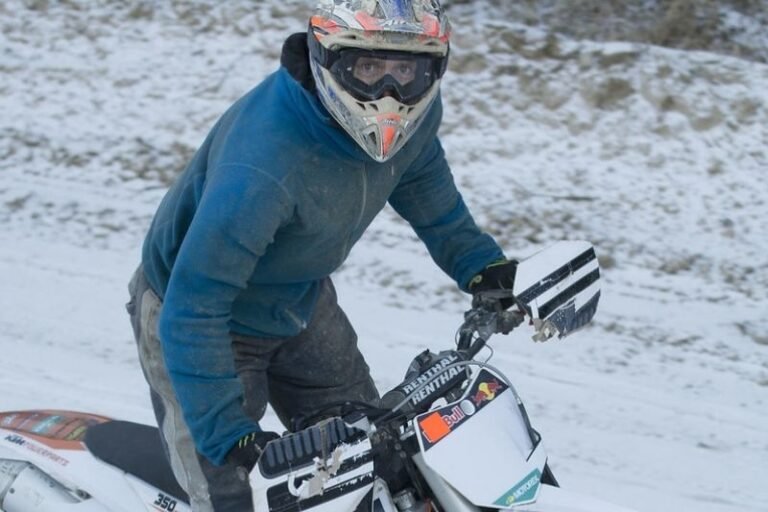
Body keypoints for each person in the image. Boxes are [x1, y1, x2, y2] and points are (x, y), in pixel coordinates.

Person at [126, 0, 517, 510]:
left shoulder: (417, 121)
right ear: (326, 58)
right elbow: (193, 308)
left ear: (433, 67)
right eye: (368, 68)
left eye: (406, 69)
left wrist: (481, 266)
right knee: (240, 495)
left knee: (378, 454)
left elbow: (427, 190)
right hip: (196, 316)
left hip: (298, 298)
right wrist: (232, 439)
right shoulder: (264, 168)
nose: (390, 93)